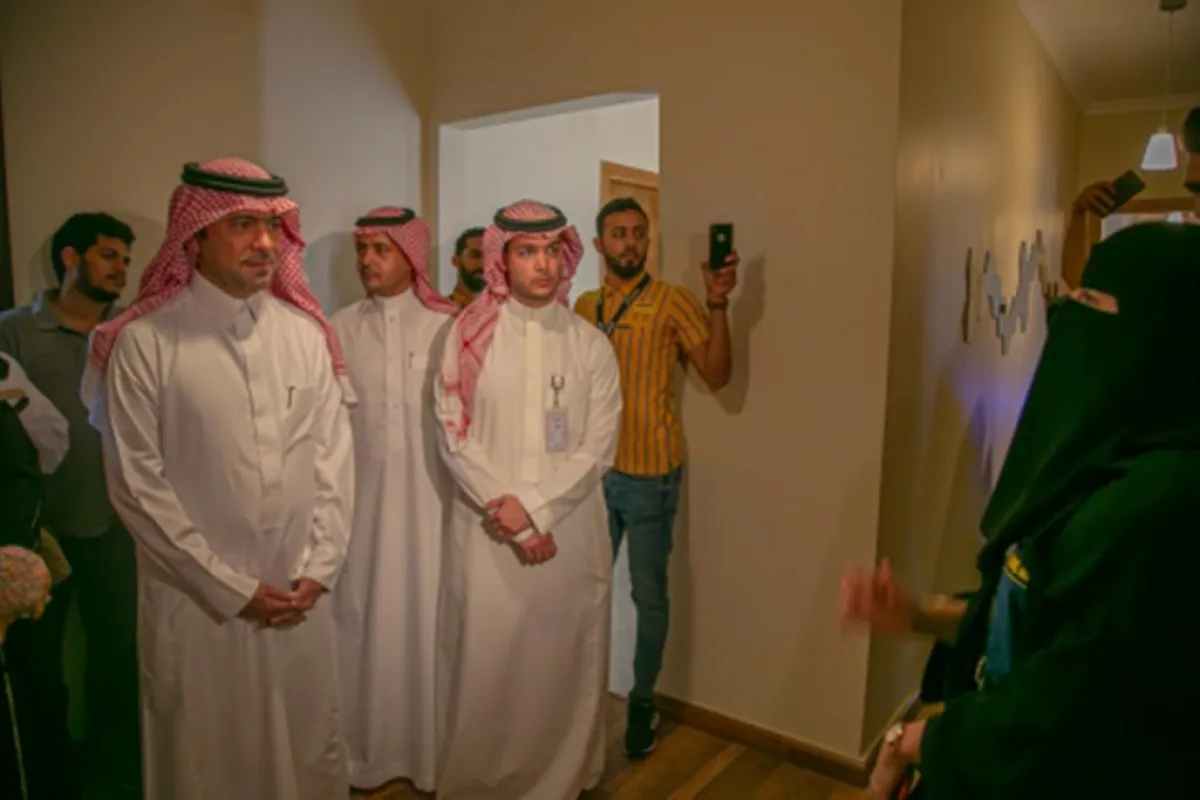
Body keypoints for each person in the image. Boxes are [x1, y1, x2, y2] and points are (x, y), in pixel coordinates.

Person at [842, 217, 1200, 794]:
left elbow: (1070, 716)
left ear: (1160, 340)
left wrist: (911, 742)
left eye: (1090, 301)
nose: (1067, 319)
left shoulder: (1158, 507)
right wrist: (920, 613)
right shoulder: (1103, 465)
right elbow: (1039, 615)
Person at [87, 157, 356, 800]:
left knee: (304, 743)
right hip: (197, 603)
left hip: (298, 595)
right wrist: (231, 587)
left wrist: (321, 566)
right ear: (196, 236)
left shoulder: (304, 336)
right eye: (242, 225)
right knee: (207, 758)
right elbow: (137, 488)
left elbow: (335, 459)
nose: (265, 242)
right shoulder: (147, 344)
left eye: (273, 226)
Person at [434, 200, 622, 798]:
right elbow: (452, 436)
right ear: (502, 259)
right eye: (527, 252)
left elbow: (599, 447)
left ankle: (562, 780)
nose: (543, 265)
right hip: (488, 533)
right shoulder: (466, 336)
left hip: (570, 534)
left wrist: (536, 508)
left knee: (562, 664)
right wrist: (513, 516)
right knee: (489, 667)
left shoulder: (590, 344)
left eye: (551, 251)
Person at [572, 196, 738, 756]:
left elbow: (716, 374)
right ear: (600, 245)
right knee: (584, 590)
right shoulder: (584, 307)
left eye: (638, 233)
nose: (630, 242)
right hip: (592, 473)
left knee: (648, 594)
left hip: (650, 474)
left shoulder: (672, 300)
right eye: (618, 233)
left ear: (648, 240)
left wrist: (719, 303)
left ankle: (642, 700)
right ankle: (581, 699)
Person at [0, 210, 142, 796]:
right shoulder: (13, 332)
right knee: (38, 667)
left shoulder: (133, 331)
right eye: (109, 256)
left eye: (126, 260)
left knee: (119, 659)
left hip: (118, 526)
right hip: (41, 534)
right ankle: (51, 779)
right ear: (70, 257)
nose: (121, 270)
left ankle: (119, 777)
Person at [330, 206, 456, 791]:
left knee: (432, 623)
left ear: (412, 255)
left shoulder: (449, 327)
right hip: (362, 513)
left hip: (436, 508)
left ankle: (433, 756)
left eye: (381, 249)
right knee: (363, 625)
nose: (367, 261)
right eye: (362, 249)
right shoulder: (337, 328)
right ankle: (367, 756)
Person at [0, 354, 72, 800]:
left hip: (14, 571)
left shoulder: (2, 368)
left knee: (34, 696)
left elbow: (50, 449)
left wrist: (18, 406)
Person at [448, 226, 486, 309]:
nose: (484, 264)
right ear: (456, 261)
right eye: (475, 255)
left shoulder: (506, 312)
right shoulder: (436, 312)